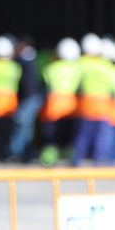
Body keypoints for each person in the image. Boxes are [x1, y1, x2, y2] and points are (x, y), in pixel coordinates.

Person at [39, 37, 82, 166]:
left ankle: (48, 159)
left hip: (54, 106)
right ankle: (70, 158)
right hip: (72, 106)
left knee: (52, 136)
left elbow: (45, 85)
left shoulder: (51, 68)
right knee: (69, 134)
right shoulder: (78, 69)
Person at [72, 33, 114, 165]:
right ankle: (99, 160)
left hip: (86, 103)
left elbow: (75, 83)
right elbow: (112, 85)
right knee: (102, 135)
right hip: (103, 103)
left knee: (83, 134)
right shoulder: (106, 64)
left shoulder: (81, 63)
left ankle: (77, 159)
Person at [5, 36, 43, 163]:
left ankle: (18, 153)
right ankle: (24, 153)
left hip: (30, 99)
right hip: (32, 98)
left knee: (22, 125)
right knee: (26, 126)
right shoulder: (33, 60)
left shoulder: (23, 61)